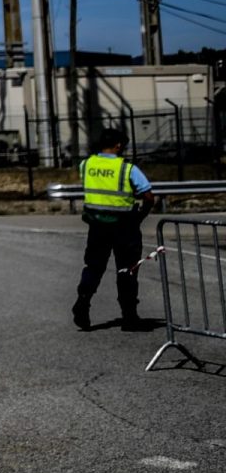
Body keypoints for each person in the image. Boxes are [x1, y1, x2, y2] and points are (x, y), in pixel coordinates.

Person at [74, 128, 155, 331]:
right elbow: (148, 196)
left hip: (97, 226)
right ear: (118, 145)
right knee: (127, 269)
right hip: (124, 226)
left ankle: (83, 301)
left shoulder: (86, 164)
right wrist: (140, 217)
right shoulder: (127, 168)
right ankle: (129, 316)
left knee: (93, 267)